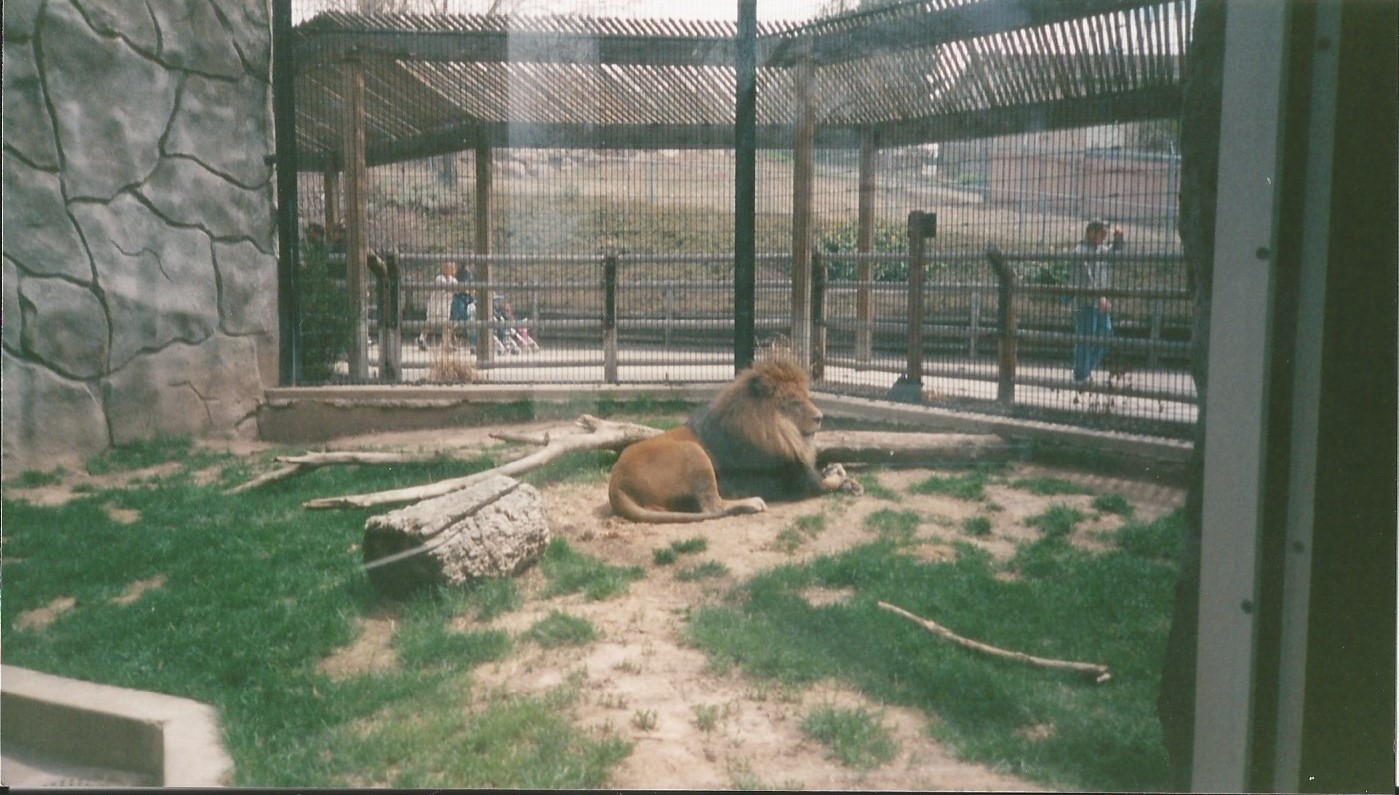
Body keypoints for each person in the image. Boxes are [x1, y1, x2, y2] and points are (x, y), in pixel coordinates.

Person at [1070, 220, 1117, 383]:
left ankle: (1083, 371)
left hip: (1100, 303)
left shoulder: (1102, 250)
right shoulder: (1080, 251)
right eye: (1101, 233)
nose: (1105, 236)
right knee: (1085, 338)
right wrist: (1100, 297)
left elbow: (1117, 254)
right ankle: (1081, 375)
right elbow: (1085, 278)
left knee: (1106, 335)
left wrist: (1119, 241)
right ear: (1090, 232)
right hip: (1085, 303)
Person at [418, 260, 459, 351]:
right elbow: (446, 287)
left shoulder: (454, 280)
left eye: (452, 268)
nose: (451, 269)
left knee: (446, 325)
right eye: (448, 267)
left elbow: (456, 290)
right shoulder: (439, 278)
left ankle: (447, 344)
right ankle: (421, 339)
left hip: (445, 306)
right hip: (435, 306)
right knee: (430, 324)